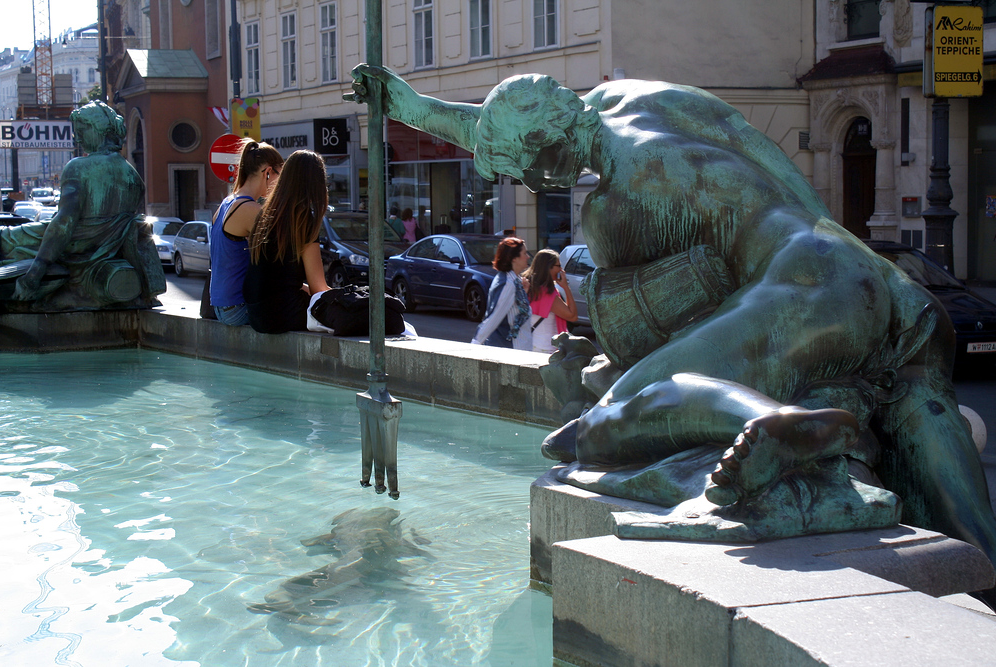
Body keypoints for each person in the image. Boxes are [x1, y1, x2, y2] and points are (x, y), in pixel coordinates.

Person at [348, 65, 996, 588]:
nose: (535, 184)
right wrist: (412, 107)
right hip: (869, 276)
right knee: (922, 415)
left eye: (525, 172)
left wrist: (603, 374)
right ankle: (984, 576)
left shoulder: (617, 205)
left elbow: (651, 330)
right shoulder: (631, 98)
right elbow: (761, 154)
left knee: (600, 426)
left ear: (546, 152)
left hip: (800, 295)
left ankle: (780, 429)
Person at [0, 100, 163, 311]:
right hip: (102, 247)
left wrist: (36, 271)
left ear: (97, 130)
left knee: (3, 239)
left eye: (82, 130)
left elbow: (64, 222)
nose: (78, 137)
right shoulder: (132, 175)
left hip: (76, 246)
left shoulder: (79, 167)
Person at [243, 150, 330, 334]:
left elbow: (276, 276)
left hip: (256, 314)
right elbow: (318, 288)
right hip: (283, 313)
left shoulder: (265, 214)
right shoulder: (303, 218)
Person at [209, 139, 283, 326]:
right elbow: (275, 263)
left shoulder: (227, 203)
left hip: (221, 306)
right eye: (279, 177)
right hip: (237, 308)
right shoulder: (250, 209)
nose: (278, 185)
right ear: (268, 173)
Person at [470, 236, 532, 349]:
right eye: (524, 253)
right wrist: (474, 345)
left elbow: (516, 311)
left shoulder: (514, 280)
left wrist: (524, 292)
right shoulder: (508, 283)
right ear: (514, 258)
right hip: (511, 351)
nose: (528, 257)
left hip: (519, 349)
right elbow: (494, 317)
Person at [522, 248, 577, 354]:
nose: (561, 269)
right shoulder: (546, 293)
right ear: (548, 267)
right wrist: (566, 287)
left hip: (531, 344)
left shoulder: (529, 287)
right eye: (558, 266)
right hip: (547, 348)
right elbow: (573, 316)